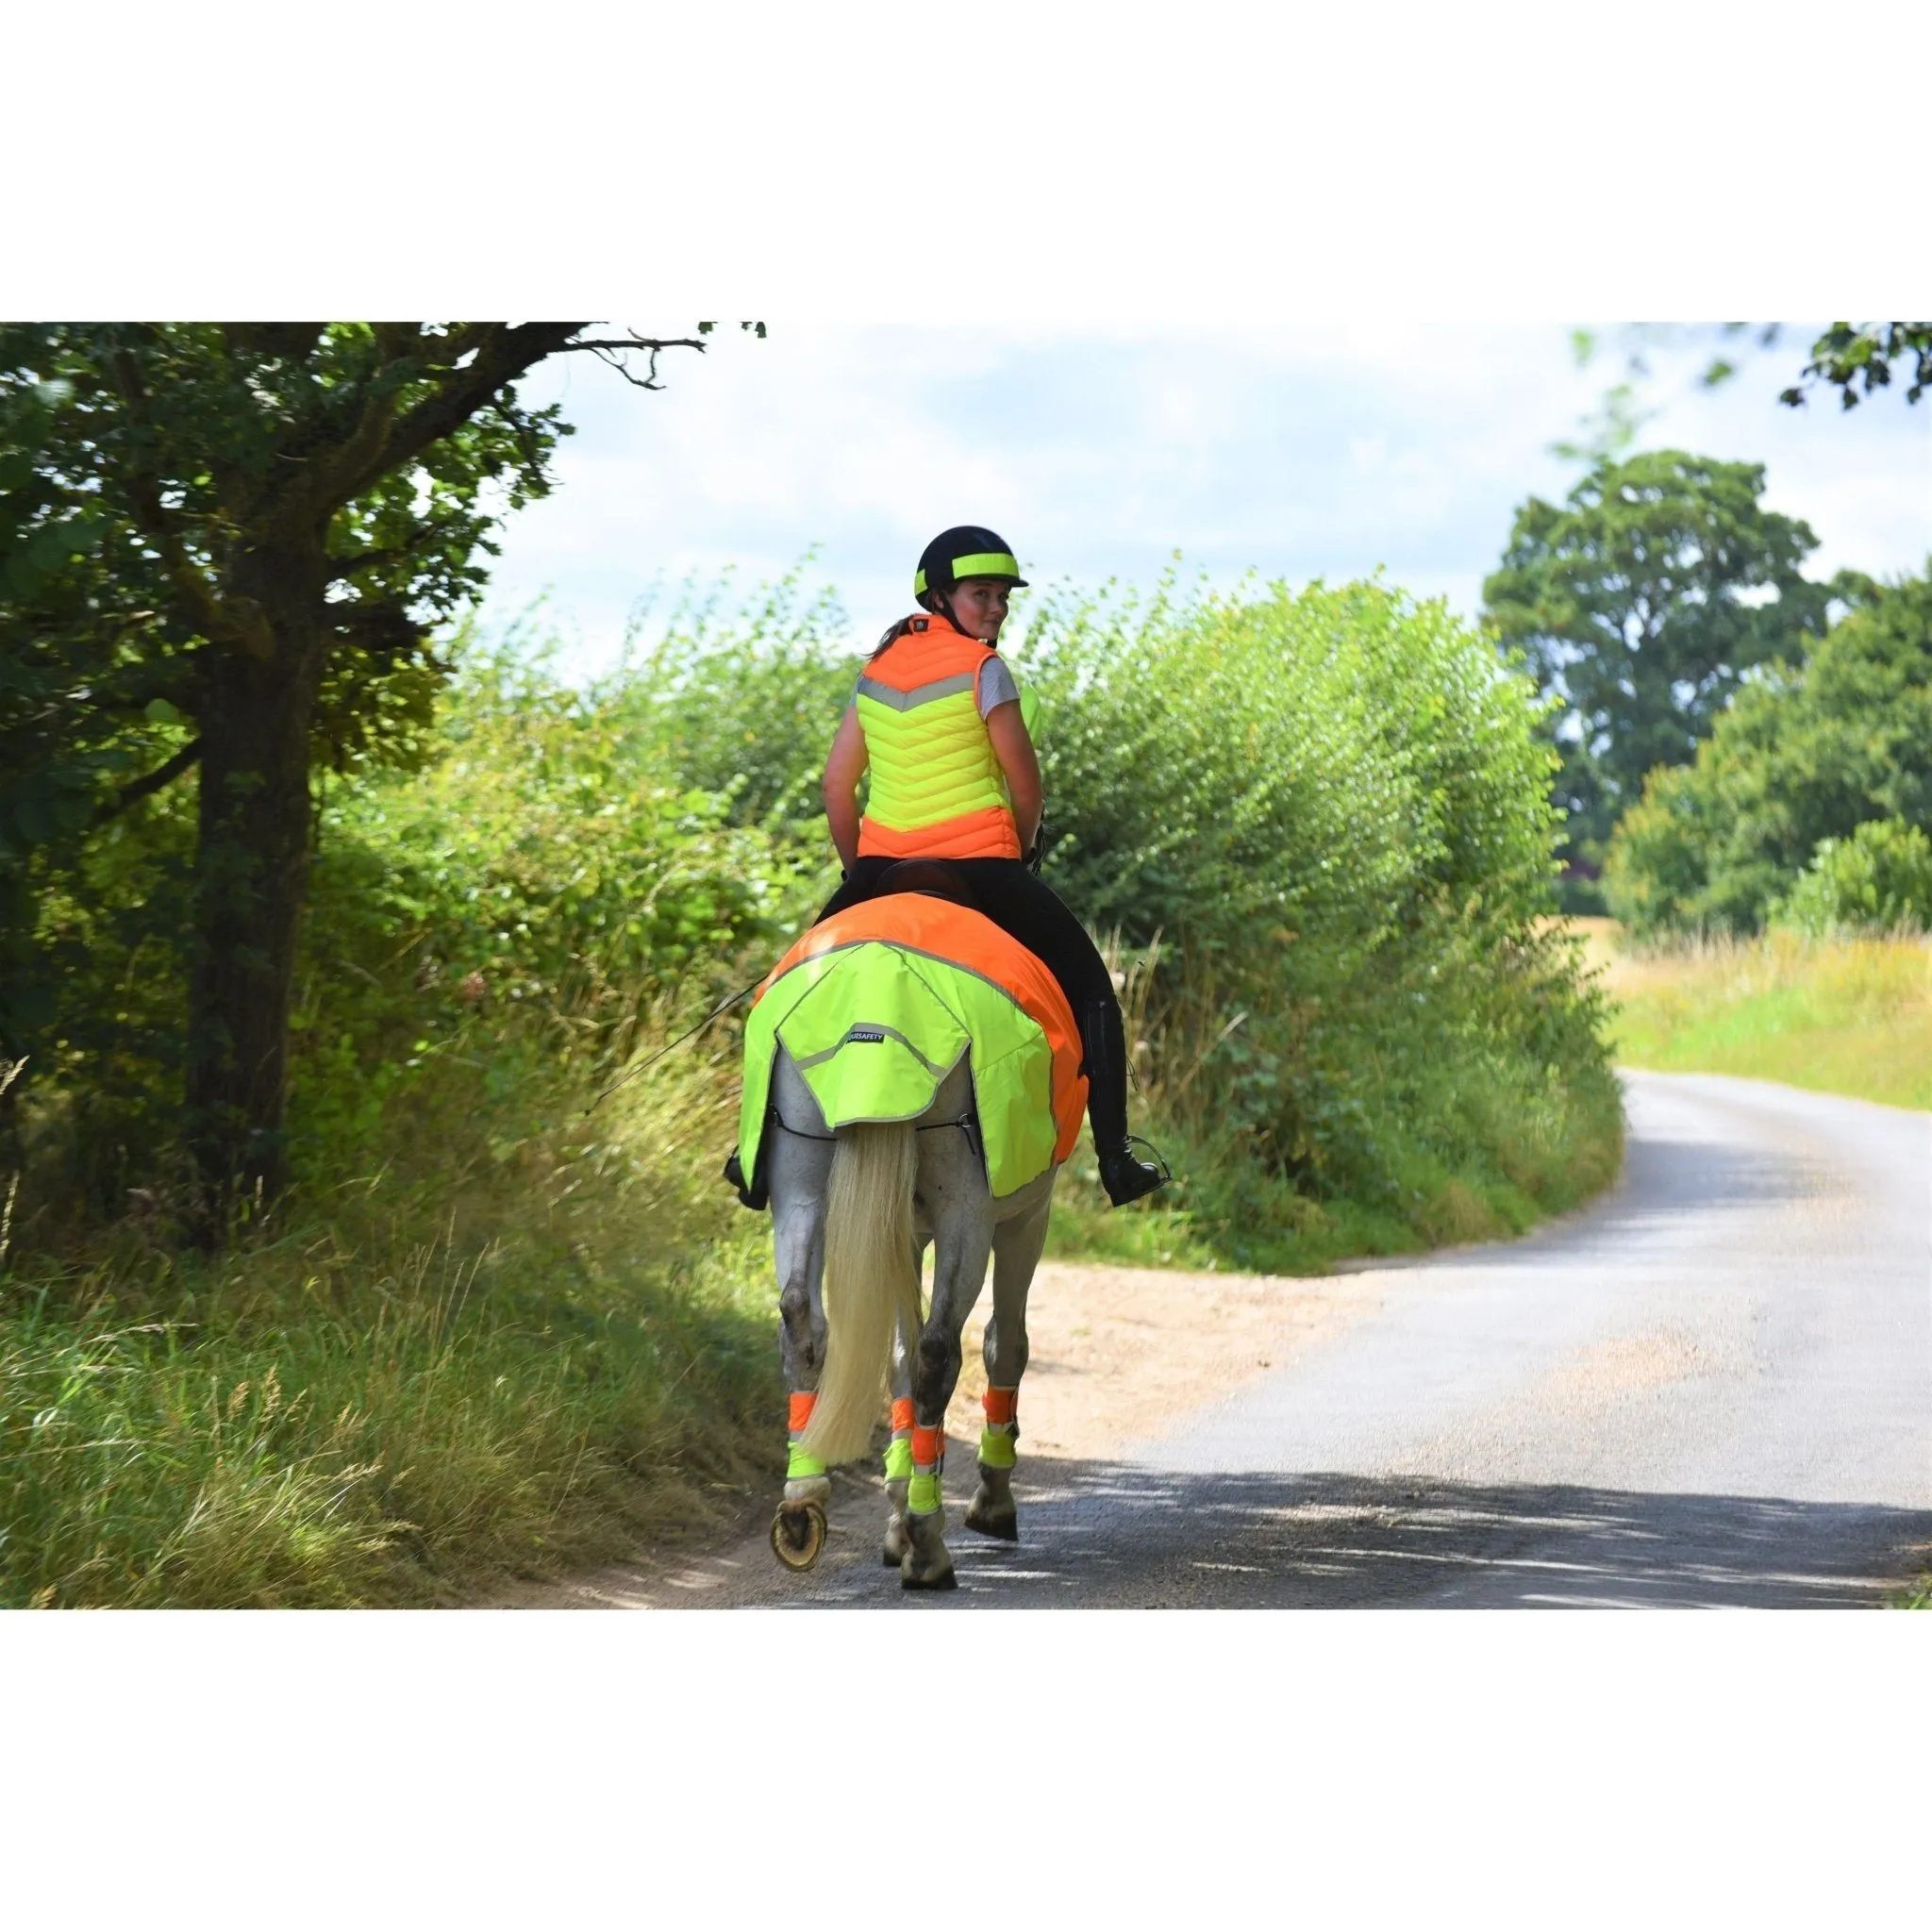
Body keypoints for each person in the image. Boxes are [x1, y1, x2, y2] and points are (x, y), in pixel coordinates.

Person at [815, 525, 1166, 1207]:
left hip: (881, 871)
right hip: (980, 870)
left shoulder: (873, 677)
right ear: (941, 595)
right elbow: (1025, 786)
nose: (997, 609)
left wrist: (857, 877)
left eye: (1003, 597)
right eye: (982, 595)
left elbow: (837, 787)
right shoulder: (984, 671)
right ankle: (1118, 1158)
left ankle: (752, 1156)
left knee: (788, 982)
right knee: (1093, 988)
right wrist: (1025, 849)